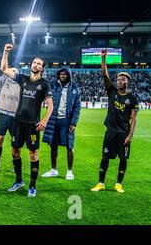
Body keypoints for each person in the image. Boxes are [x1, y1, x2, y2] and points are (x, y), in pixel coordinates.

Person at [1, 44, 53, 198]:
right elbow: (4, 68)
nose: (36, 65)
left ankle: (32, 185)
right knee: (14, 151)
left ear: (42, 68)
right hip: (17, 122)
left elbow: (50, 105)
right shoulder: (22, 78)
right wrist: (5, 52)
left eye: (39, 64)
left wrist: (45, 120)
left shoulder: (44, 84)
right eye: (34, 62)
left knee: (33, 154)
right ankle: (19, 181)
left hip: (32, 125)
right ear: (31, 65)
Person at [91, 49, 139, 193]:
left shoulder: (132, 98)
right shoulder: (112, 91)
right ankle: (101, 183)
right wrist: (103, 59)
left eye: (122, 79)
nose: (119, 81)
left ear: (127, 82)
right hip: (110, 131)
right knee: (105, 157)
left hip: (124, 133)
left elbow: (134, 118)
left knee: (123, 159)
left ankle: (118, 183)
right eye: (118, 79)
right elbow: (105, 74)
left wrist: (130, 135)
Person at [42, 67, 81, 180]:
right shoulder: (53, 85)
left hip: (66, 121)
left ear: (69, 75)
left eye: (65, 74)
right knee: (53, 146)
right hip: (54, 120)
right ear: (59, 75)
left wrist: (73, 123)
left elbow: (77, 107)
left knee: (70, 146)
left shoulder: (74, 88)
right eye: (61, 74)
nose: (63, 76)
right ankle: (54, 170)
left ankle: (69, 171)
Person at [0, 67, 20, 173]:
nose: (12, 73)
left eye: (15, 72)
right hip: (3, 115)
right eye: (11, 71)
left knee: (16, 143)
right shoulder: (3, 81)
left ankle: (16, 166)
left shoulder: (21, 84)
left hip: (15, 117)